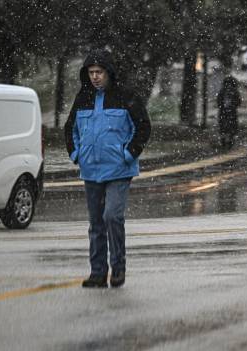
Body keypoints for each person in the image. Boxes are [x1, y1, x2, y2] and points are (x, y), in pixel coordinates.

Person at [64, 49, 151, 288]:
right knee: (96, 224)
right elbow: (70, 129)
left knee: (112, 216)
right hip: (91, 171)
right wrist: (76, 154)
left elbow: (143, 126)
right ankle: (98, 273)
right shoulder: (82, 98)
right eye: (91, 72)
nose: (95, 77)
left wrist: (127, 154)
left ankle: (118, 268)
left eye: (99, 72)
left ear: (108, 73)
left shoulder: (126, 96)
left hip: (119, 171)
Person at [217, 74, 242, 148]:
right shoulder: (234, 91)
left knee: (223, 126)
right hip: (231, 111)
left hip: (223, 111)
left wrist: (221, 106)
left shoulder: (222, 91)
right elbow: (238, 101)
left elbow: (218, 101)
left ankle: (224, 139)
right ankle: (229, 139)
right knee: (231, 126)